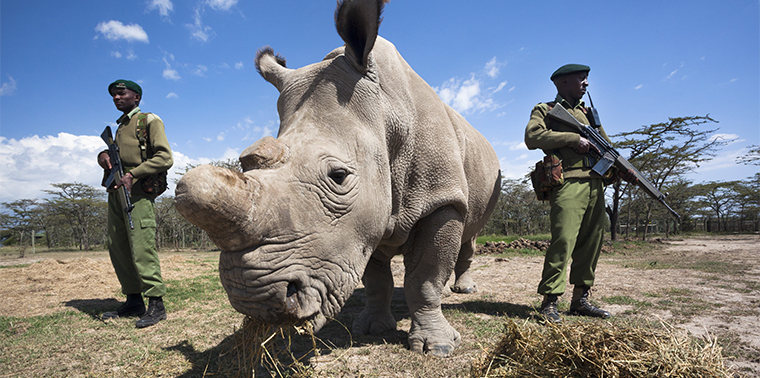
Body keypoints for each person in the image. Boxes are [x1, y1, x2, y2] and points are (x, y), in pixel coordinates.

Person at [524, 64, 637, 323]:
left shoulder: (589, 114)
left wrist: (625, 169)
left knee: (592, 243)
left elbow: (608, 149)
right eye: (581, 78)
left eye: (587, 79)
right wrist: (573, 140)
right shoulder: (547, 110)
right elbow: (532, 137)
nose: (586, 83)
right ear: (562, 83)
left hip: (596, 185)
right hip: (568, 184)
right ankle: (550, 302)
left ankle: (580, 300)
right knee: (563, 240)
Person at [98, 79, 173, 328]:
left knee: (141, 246)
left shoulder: (148, 121)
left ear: (136, 97)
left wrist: (133, 174)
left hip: (138, 192)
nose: (116, 98)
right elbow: (117, 155)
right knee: (117, 245)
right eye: (113, 96)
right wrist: (103, 156)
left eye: (121, 94)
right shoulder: (120, 127)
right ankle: (133, 300)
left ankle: (156, 303)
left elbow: (165, 156)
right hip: (116, 190)